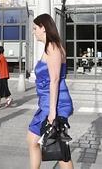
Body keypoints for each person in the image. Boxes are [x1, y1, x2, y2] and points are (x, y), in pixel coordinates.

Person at [27, 13, 74, 169]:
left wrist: (52, 112)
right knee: (34, 141)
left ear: (44, 28)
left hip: (55, 104)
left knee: (59, 149)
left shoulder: (53, 47)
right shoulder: (50, 47)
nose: (34, 32)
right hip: (47, 102)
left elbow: (54, 80)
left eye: (35, 28)